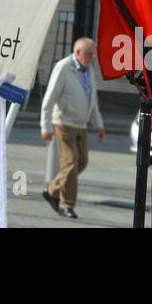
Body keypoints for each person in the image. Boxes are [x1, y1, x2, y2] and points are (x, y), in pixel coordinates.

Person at [41, 37, 106, 219]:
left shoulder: (89, 69)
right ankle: (66, 205)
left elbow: (92, 99)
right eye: (88, 54)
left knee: (82, 161)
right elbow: (49, 98)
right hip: (63, 123)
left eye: (93, 55)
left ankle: (52, 190)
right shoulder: (63, 67)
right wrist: (45, 127)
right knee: (70, 163)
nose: (91, 58)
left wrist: (99, 124)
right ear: (77, 53)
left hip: (81, 124)